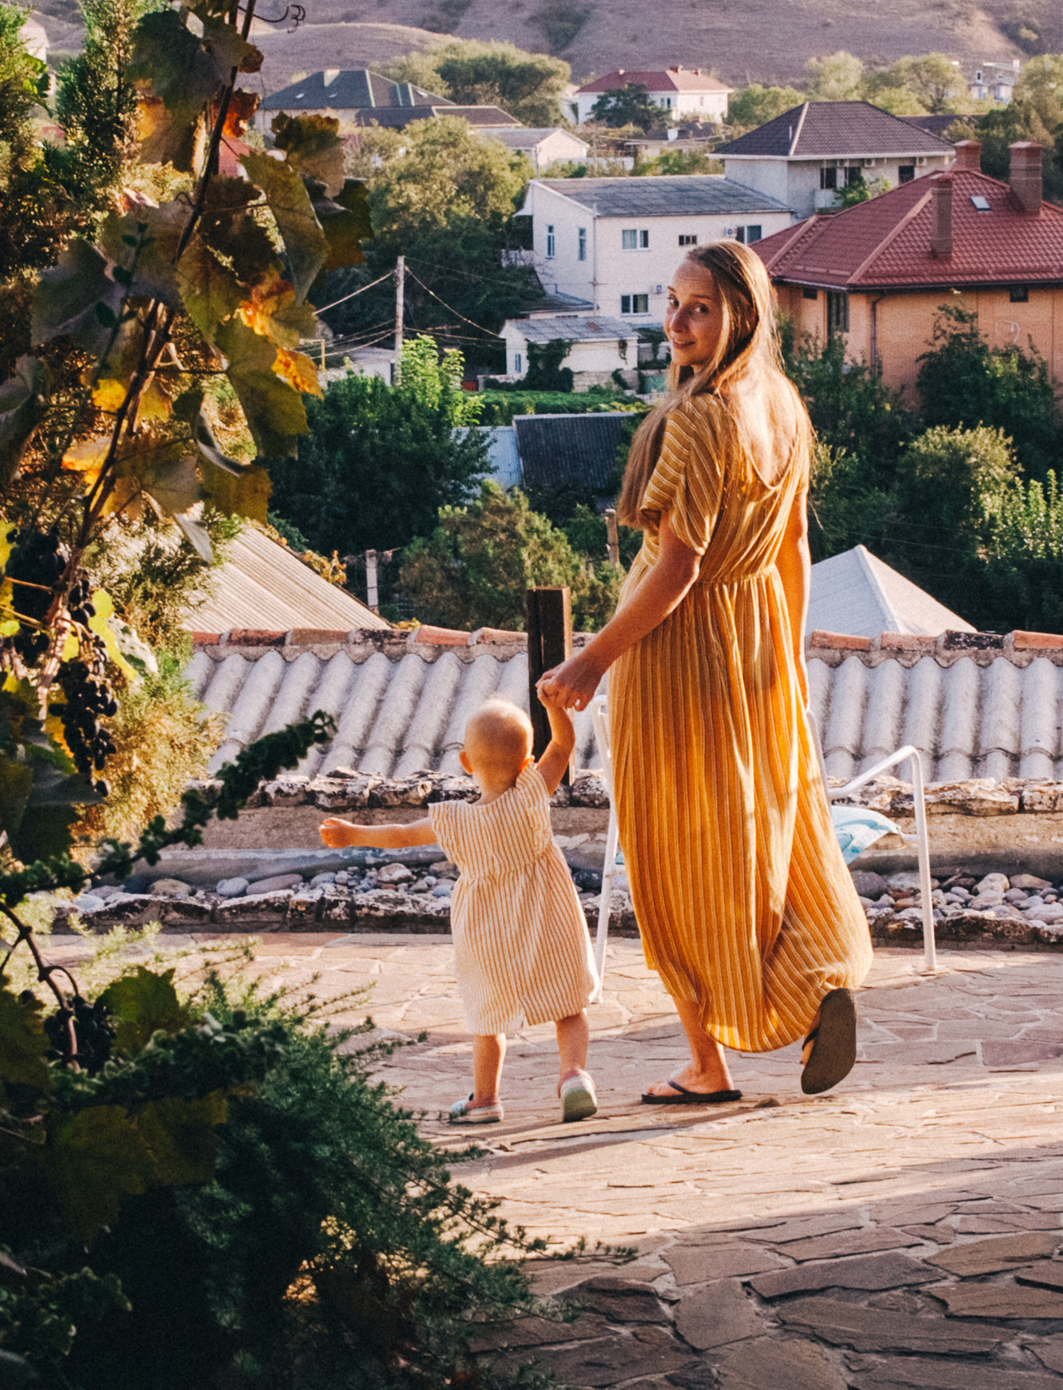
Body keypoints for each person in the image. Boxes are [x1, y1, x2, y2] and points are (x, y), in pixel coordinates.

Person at [537, 240, 872, 1103]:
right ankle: (814, 982)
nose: (679, 324)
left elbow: (675, 570)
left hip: (681, 650)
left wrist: (590, 659)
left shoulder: (699, 418)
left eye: (701, 308)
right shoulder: (786, 406)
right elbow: (795, 544)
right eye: (675, 303)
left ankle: (707, 1064)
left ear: (743, 317)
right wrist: (787, 657)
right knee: (766, 832)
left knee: (675, 854)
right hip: (757, 638)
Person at [319, 697, 598, 1125]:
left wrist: (353, 833)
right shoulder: (530, 793)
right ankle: (573, 1075)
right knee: (567, 1003)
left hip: (487, 930)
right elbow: (562, 745)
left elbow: (400, 835)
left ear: (466, 761)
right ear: (526, 762)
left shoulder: (452, 820)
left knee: (487, 1015)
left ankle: (485, 1099)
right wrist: (554, 707)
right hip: (547, 915)